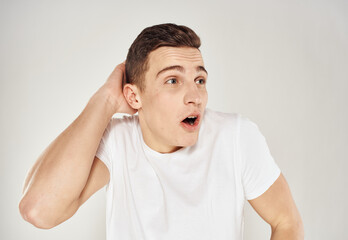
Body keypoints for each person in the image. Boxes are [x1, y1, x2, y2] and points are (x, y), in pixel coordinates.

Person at [19, 23, 304, 239]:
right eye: (172, 80)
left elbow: (286, 221)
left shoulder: (236, 136)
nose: (195, 96)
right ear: (134, 97)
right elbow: (39, 211)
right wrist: (105, 100)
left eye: (200, 79)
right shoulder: (118, 141)